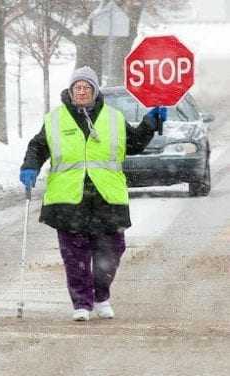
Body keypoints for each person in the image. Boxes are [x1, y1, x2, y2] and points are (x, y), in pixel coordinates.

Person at [19, 67, 166, 321]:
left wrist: (150, 123)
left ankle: (101, 295)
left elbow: (134, 144)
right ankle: (81, 303)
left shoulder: (113, 118)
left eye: (87, 86)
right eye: (77, 87)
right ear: (71, 90)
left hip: (106, 196)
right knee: (74, 254)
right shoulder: (55, 119)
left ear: (95, 91)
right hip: (68, 198)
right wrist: (30, 166)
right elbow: (38, 145)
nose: (82, 90)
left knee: (111, 250)